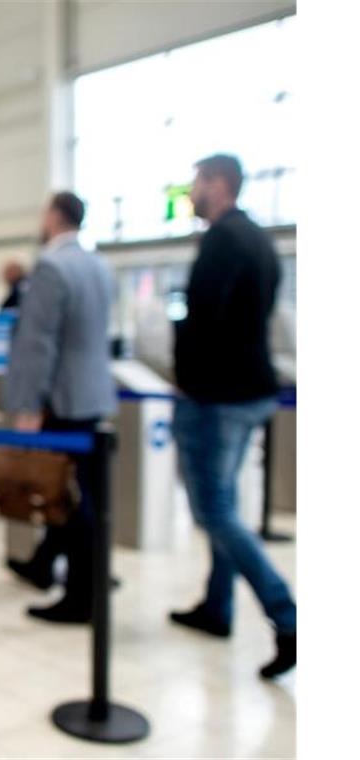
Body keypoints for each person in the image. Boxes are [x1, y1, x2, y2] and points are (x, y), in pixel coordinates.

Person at [169, 154, 296, 679]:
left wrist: (186, 378)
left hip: (216, 396)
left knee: (215, 510)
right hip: (251, 392)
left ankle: (287, 617)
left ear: (219, 185)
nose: (192, 193)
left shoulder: (222, 241)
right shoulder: (261, 242)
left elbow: (203, 319)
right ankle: (216, 606)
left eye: (197, 183)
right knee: (228, 502)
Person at [2, 191, 116, 624]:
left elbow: (38, 345)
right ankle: (49, 564)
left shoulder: (51, 266)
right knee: (84, 494)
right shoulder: (98, 265)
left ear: (53, 216)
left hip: (61, 399)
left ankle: (80, 596)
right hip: (92, 396)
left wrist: (28, 405)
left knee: (68, 499)